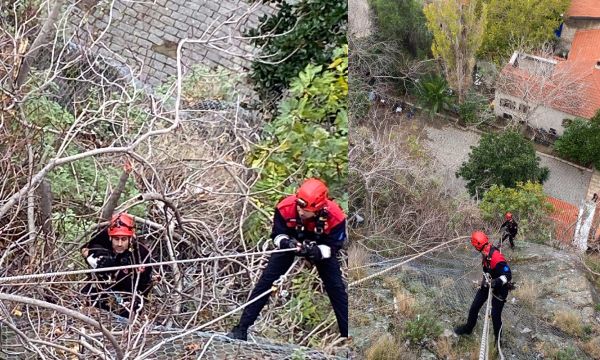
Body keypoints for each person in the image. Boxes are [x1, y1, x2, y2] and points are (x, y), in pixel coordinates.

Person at [227, 178, 348, 341]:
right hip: (291, 243)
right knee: (266, 281)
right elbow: (276, 235)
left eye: (306, 210)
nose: (301, 212)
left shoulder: (336, 217)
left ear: (318, 208)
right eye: (299, 206)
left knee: (336, 289)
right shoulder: (285, 207)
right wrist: (286, 242)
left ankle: (346, 335)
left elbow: (333, 247)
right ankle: (241, 329)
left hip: (320, 247)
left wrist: (315, 252)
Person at [80, 212, 153, 318]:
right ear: (110, 238)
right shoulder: (101, 239)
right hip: (102, 287)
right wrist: (101, 262)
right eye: (116, 239)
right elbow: (85, 251)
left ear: (130, 238)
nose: (119, 244)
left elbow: (145, 284)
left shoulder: (141, 254)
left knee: (129, 312)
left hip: (128, 293)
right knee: (85, 298)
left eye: (123, 239)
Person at [455, 231, 512, 345]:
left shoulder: (495, 257)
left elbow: (508, 275)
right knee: (475, 306)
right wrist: (487, 282)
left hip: (500, 288)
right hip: (488, 283)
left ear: (477, 246)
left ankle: (498, 340)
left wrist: (495, 282)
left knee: (495, 316)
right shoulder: (485, 251)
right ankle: (468, 328)